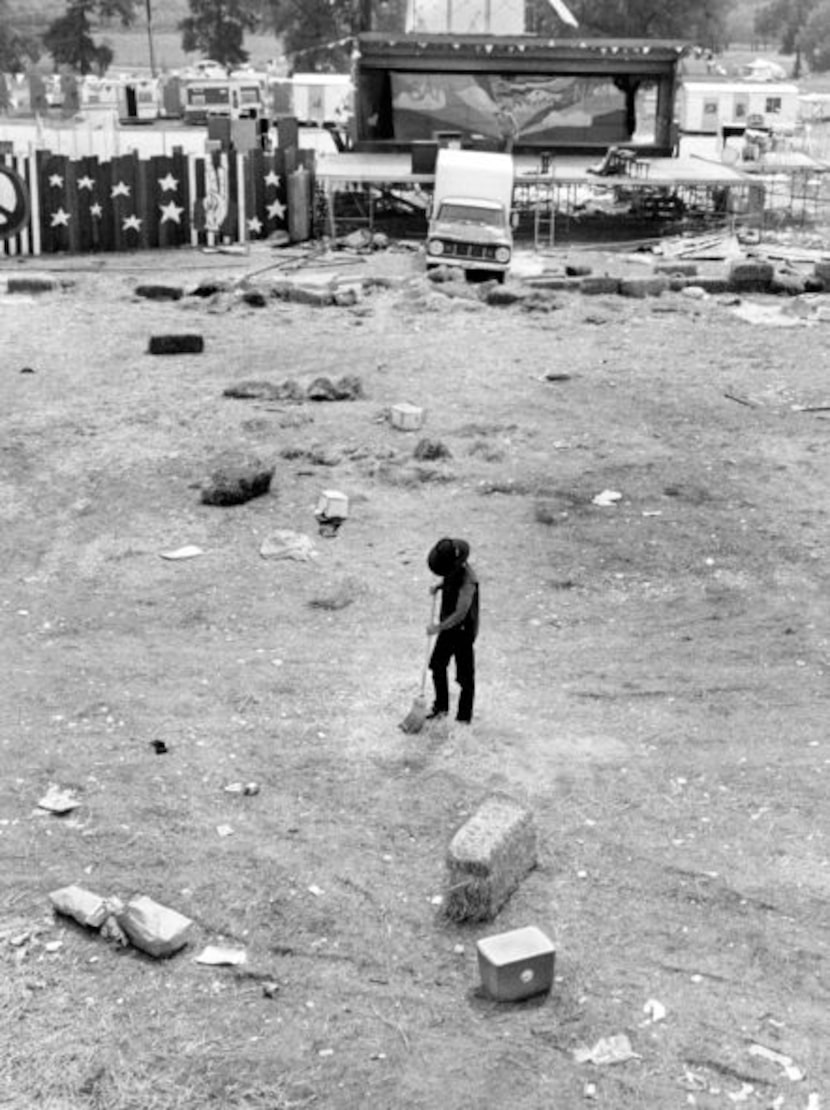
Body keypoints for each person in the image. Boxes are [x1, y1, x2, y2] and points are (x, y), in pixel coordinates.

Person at [425, 537, 479, 725]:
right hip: (448, 628)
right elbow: (449, 579)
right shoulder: (452, 568)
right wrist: (439, 586)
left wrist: (437, 628)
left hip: (463, 632)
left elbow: (461, 613)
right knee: (437, 666)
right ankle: (441, 707)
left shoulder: (469, 582)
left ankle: (463, 719)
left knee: (465, 678)